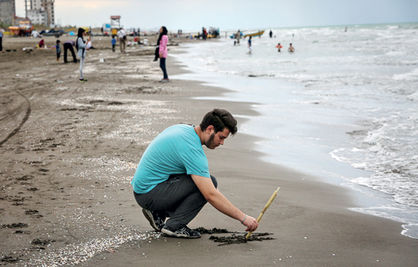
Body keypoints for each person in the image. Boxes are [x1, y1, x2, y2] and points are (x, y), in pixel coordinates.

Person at [131, 109, 259, 239]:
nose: (222, 143)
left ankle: (157, 212)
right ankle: (174, 226)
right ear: (210, 129)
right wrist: (243, 218)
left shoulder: (185, 129)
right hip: (148, 193)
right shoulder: (191, 149)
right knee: (209, 184)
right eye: (221, 137)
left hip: (143, 189)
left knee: (202, 182)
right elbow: (210, 195)